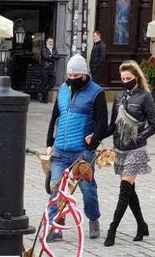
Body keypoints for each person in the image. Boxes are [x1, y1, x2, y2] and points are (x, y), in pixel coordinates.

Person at [45, 53, 108, 241]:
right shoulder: (63, 90)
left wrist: (94, 142)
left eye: (75, 77)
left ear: (84, 75)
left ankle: (93, 218)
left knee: (87, 189)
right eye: (69, 76)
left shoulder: (96, 92)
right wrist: (50, 142)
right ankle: (56, 226)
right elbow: (55, 116)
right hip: (61, 150)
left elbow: (102, 121)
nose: (71, 80)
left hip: (82, 152)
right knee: (56, 188)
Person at [103, 60, 155, 247]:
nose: (125, 81)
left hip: (136, 148)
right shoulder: (119, 96)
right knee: (130, 191)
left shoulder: (145, 97)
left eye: (128, 78)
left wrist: (138, 137)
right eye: (122, 78)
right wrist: (95, 137)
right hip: (120, 148)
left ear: (136, 77)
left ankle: (112, 230)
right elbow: (113, 125)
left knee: (124, 190)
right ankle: (142, 225)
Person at [40, 37, 60, 104]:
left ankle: (42, 93)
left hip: (51, 68)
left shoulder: (54, 49)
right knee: (44, 83)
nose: (51, 43)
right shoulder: (44, 49)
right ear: (46, 42)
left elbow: (58, 57)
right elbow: (45, 57)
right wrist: (52, 58)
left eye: (52, 41)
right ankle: (44, 100)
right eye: (49, 41)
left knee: (53, 82)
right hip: (45, 68)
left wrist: (51, 56)